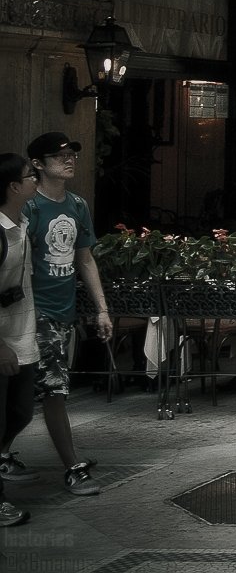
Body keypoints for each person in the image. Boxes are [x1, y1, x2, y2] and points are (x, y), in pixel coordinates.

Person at [0, 134, 108, 496]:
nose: (69, 160)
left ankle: (3, 453)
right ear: (38, 166)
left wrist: (101, 308)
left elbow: (85, 258)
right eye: (59, 156)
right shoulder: (28, 207)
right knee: (55, 391)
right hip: (35, 312)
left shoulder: (77, 205)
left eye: (71, 154)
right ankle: (73, 468)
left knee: (30, 397)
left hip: (64, 313)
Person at [0, 153, 42, 526]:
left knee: (21, 412)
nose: (35, 179)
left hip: (23, 335)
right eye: (31, 175)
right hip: (2, 342)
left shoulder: (23, 223)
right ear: (13, 186)